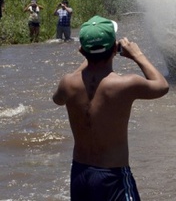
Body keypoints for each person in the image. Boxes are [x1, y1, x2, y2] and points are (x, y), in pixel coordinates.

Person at [52, 15, 169, 201]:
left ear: (81, 50)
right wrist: (137, 55)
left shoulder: (68, 83)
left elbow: (57, 100)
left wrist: (87, 60)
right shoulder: (125, 84)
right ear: (115, 48)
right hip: (113, 177)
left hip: (80, 174)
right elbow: (162, 86)